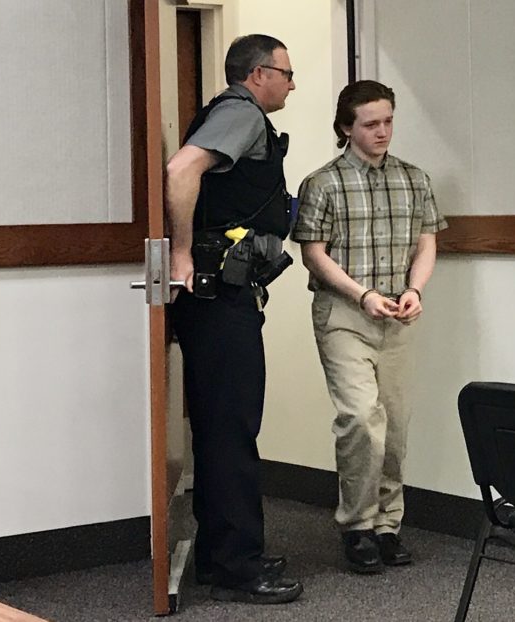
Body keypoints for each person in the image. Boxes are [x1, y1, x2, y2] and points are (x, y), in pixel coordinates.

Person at [164, 34, 302, 604]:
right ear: (258, 74)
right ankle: (236, 568)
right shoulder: (240, 115)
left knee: (225, 426)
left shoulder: (240, 117)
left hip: (224, 297)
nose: (293, 83)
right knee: (231, 430)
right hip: (218, 299)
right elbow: (181, 170)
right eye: (287, 73)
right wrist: (179, 254)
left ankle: (227, 551)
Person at [292, 80, 448, 574]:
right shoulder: (323, 183)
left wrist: (414, 290)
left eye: (388, 121)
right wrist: (362, 294)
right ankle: (357, 526)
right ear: (346, 128)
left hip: (398, 315)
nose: (382, 131)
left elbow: (426, 242)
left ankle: (388, 526)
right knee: (361, 418)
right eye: (370, 124)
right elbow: (313, 253)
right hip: (345, 314)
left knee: (395, 426)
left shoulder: (414, 179)